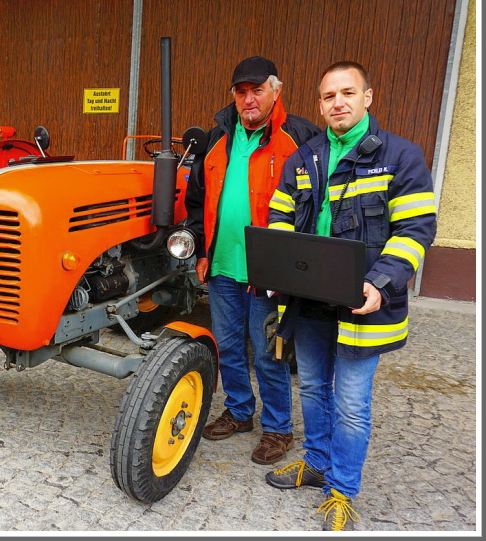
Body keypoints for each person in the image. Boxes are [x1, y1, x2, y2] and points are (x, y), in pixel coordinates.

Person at [264, 61, 437, 530]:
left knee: (351, 405)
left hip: (364, 303)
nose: (337, 103)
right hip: (309, 300)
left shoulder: (401, 157)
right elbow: (280, 217)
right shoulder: (305, 158)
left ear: (367, 97)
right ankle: (317, 462)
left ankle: (341, 490)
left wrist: (380, 282)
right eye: (328, 96)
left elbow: (416, 230)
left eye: (347, 93)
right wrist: (281, 268)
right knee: (313, 388)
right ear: (319, 104)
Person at [185, 56, 319, 465]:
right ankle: (240, 411)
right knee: (228, 345)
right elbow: (197, 201)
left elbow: (314, 206)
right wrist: (202, 250)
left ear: (276, 91)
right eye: (241, 92)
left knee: (268, 352)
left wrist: (296, 265)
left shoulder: (300, 137)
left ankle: (278, 428)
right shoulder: (217, 137)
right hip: (223, 266)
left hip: (270, 273)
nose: (249, 99)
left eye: (257, 90)